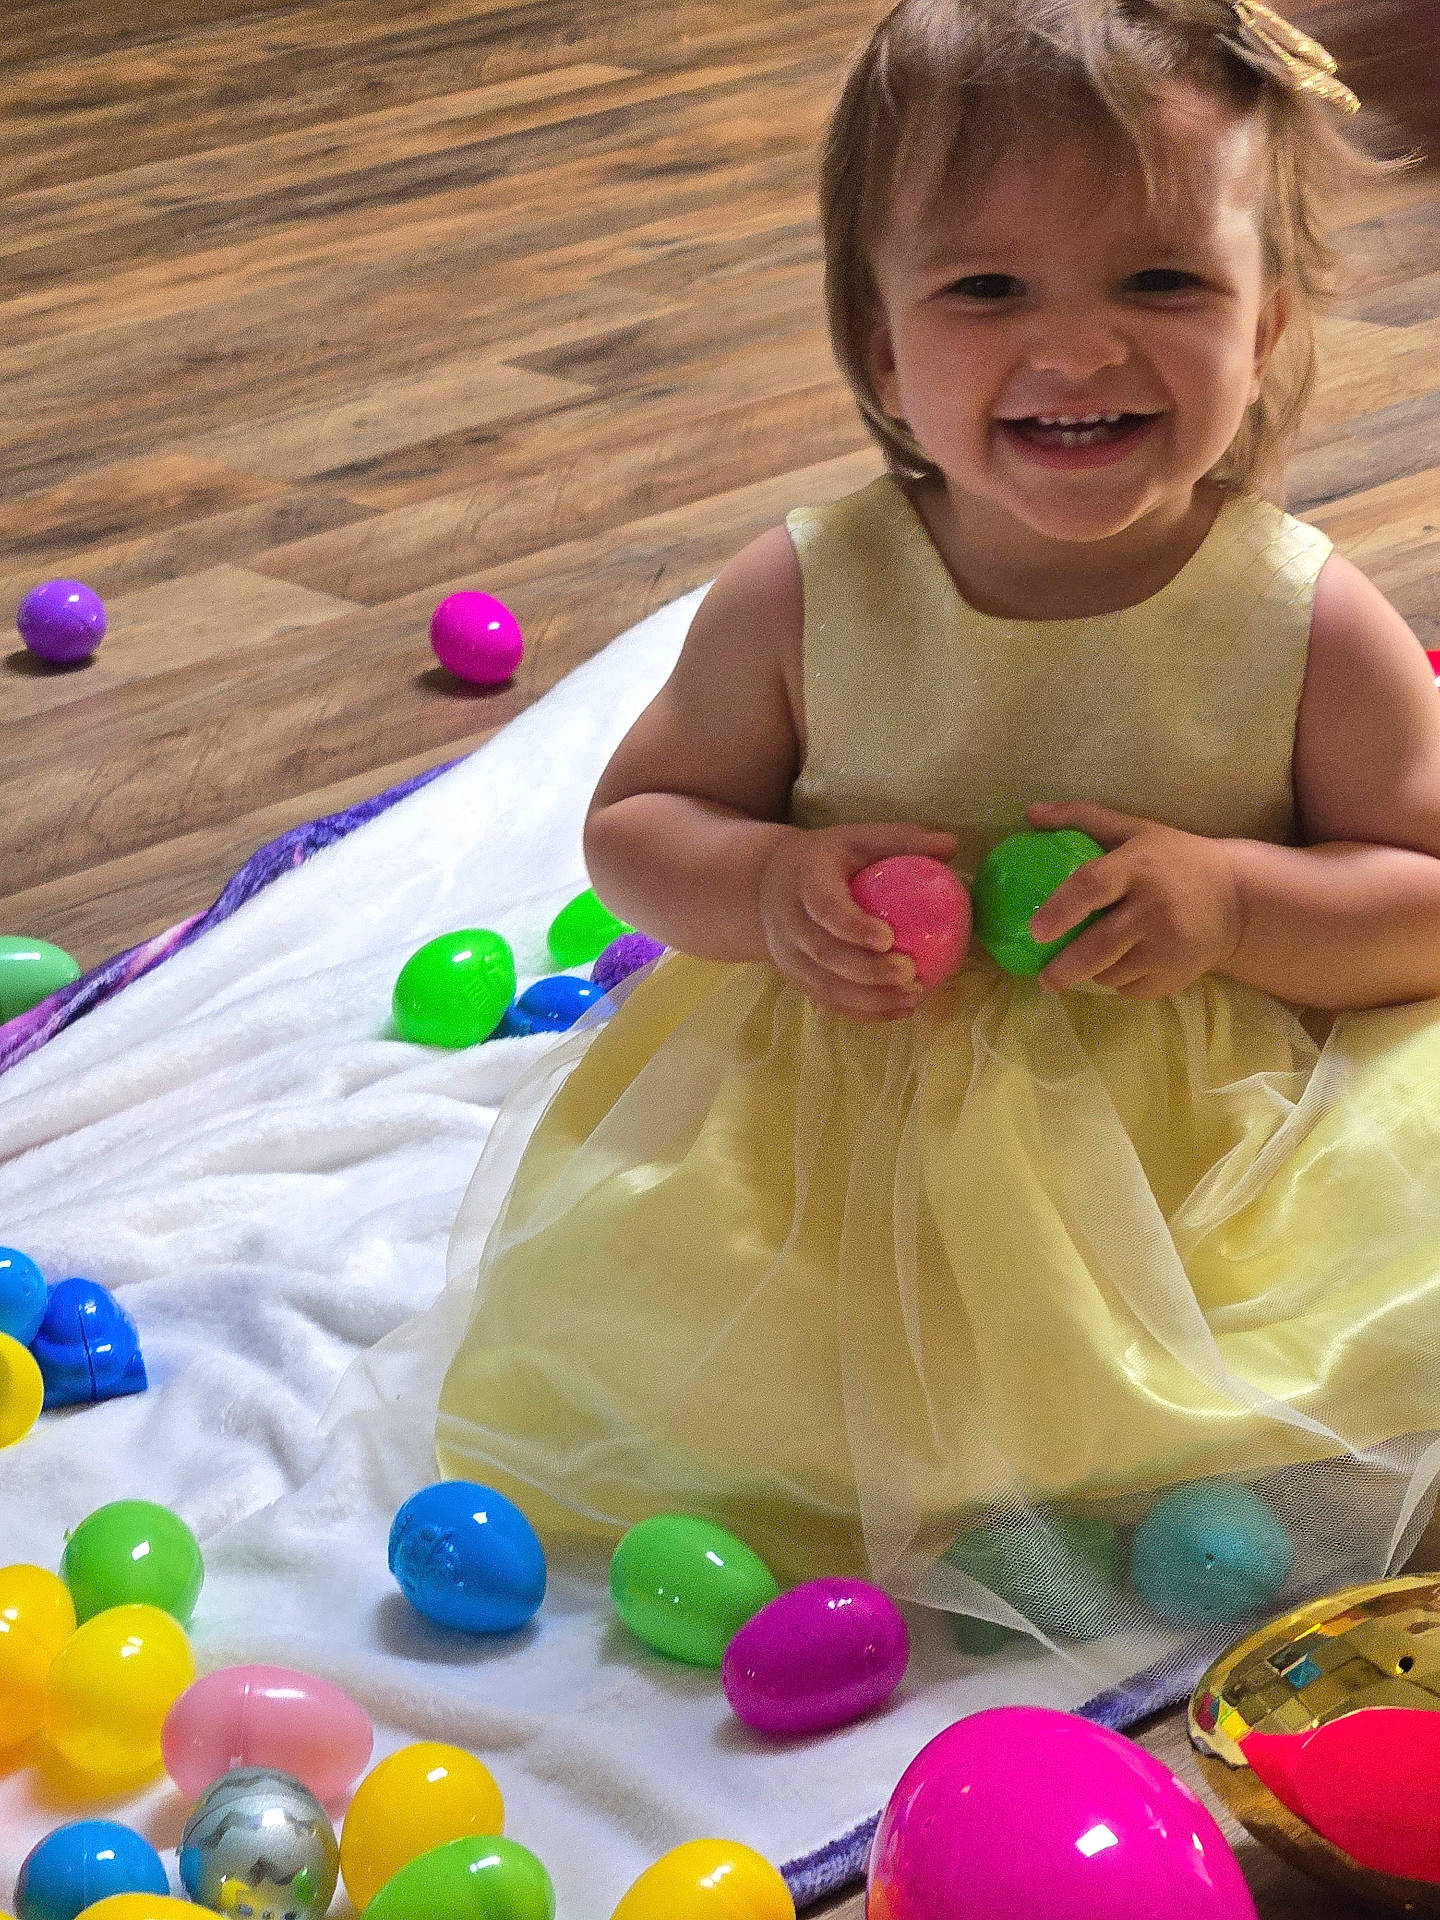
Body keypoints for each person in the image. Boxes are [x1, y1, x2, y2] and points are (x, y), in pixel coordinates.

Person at [434, 0, 1440, 1657]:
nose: (1078, 348)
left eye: (1164, 281)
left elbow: (1418, 897)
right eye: (986, 289)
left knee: (1316, 1342)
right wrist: (768, 882)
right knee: (748, 1384)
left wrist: (1237, 899)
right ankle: (988, 1479)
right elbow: (635, 828)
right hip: (852, 1152)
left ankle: (1169, 1463)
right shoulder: (811, 594)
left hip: (1207, 1163)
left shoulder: (1297, 617)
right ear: (883, 344)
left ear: (1264, 327)